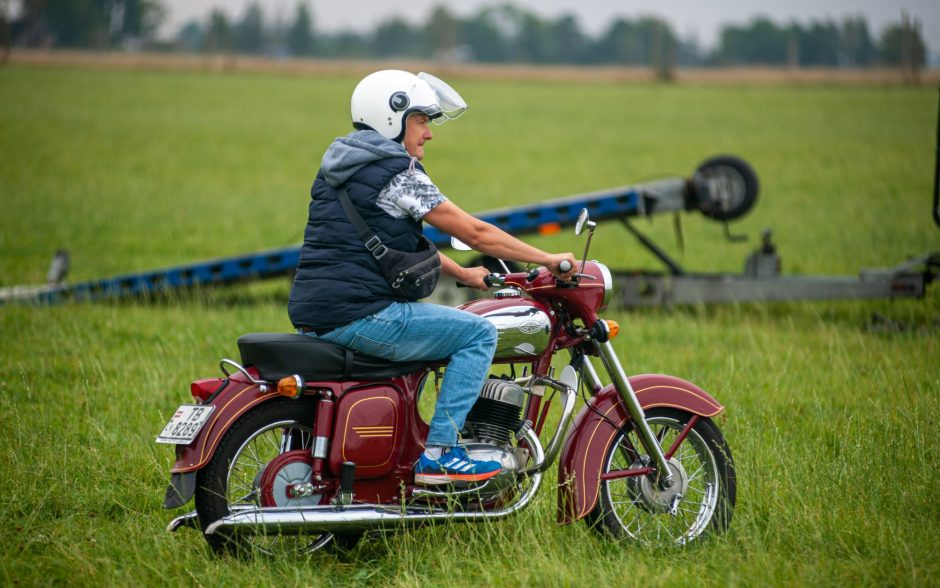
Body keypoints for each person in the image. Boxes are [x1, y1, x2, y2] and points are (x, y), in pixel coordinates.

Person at [288, 69, 576, 486]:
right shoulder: (396, 173)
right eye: (422, 120)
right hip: (362, 314)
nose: (429, 133)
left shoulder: (342, 167)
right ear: (394, 118)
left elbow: (389, 247)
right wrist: (548, 258)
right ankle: (441, 453)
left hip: (318, 309)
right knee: (477, 334)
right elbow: (473, 232)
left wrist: (464, 274)